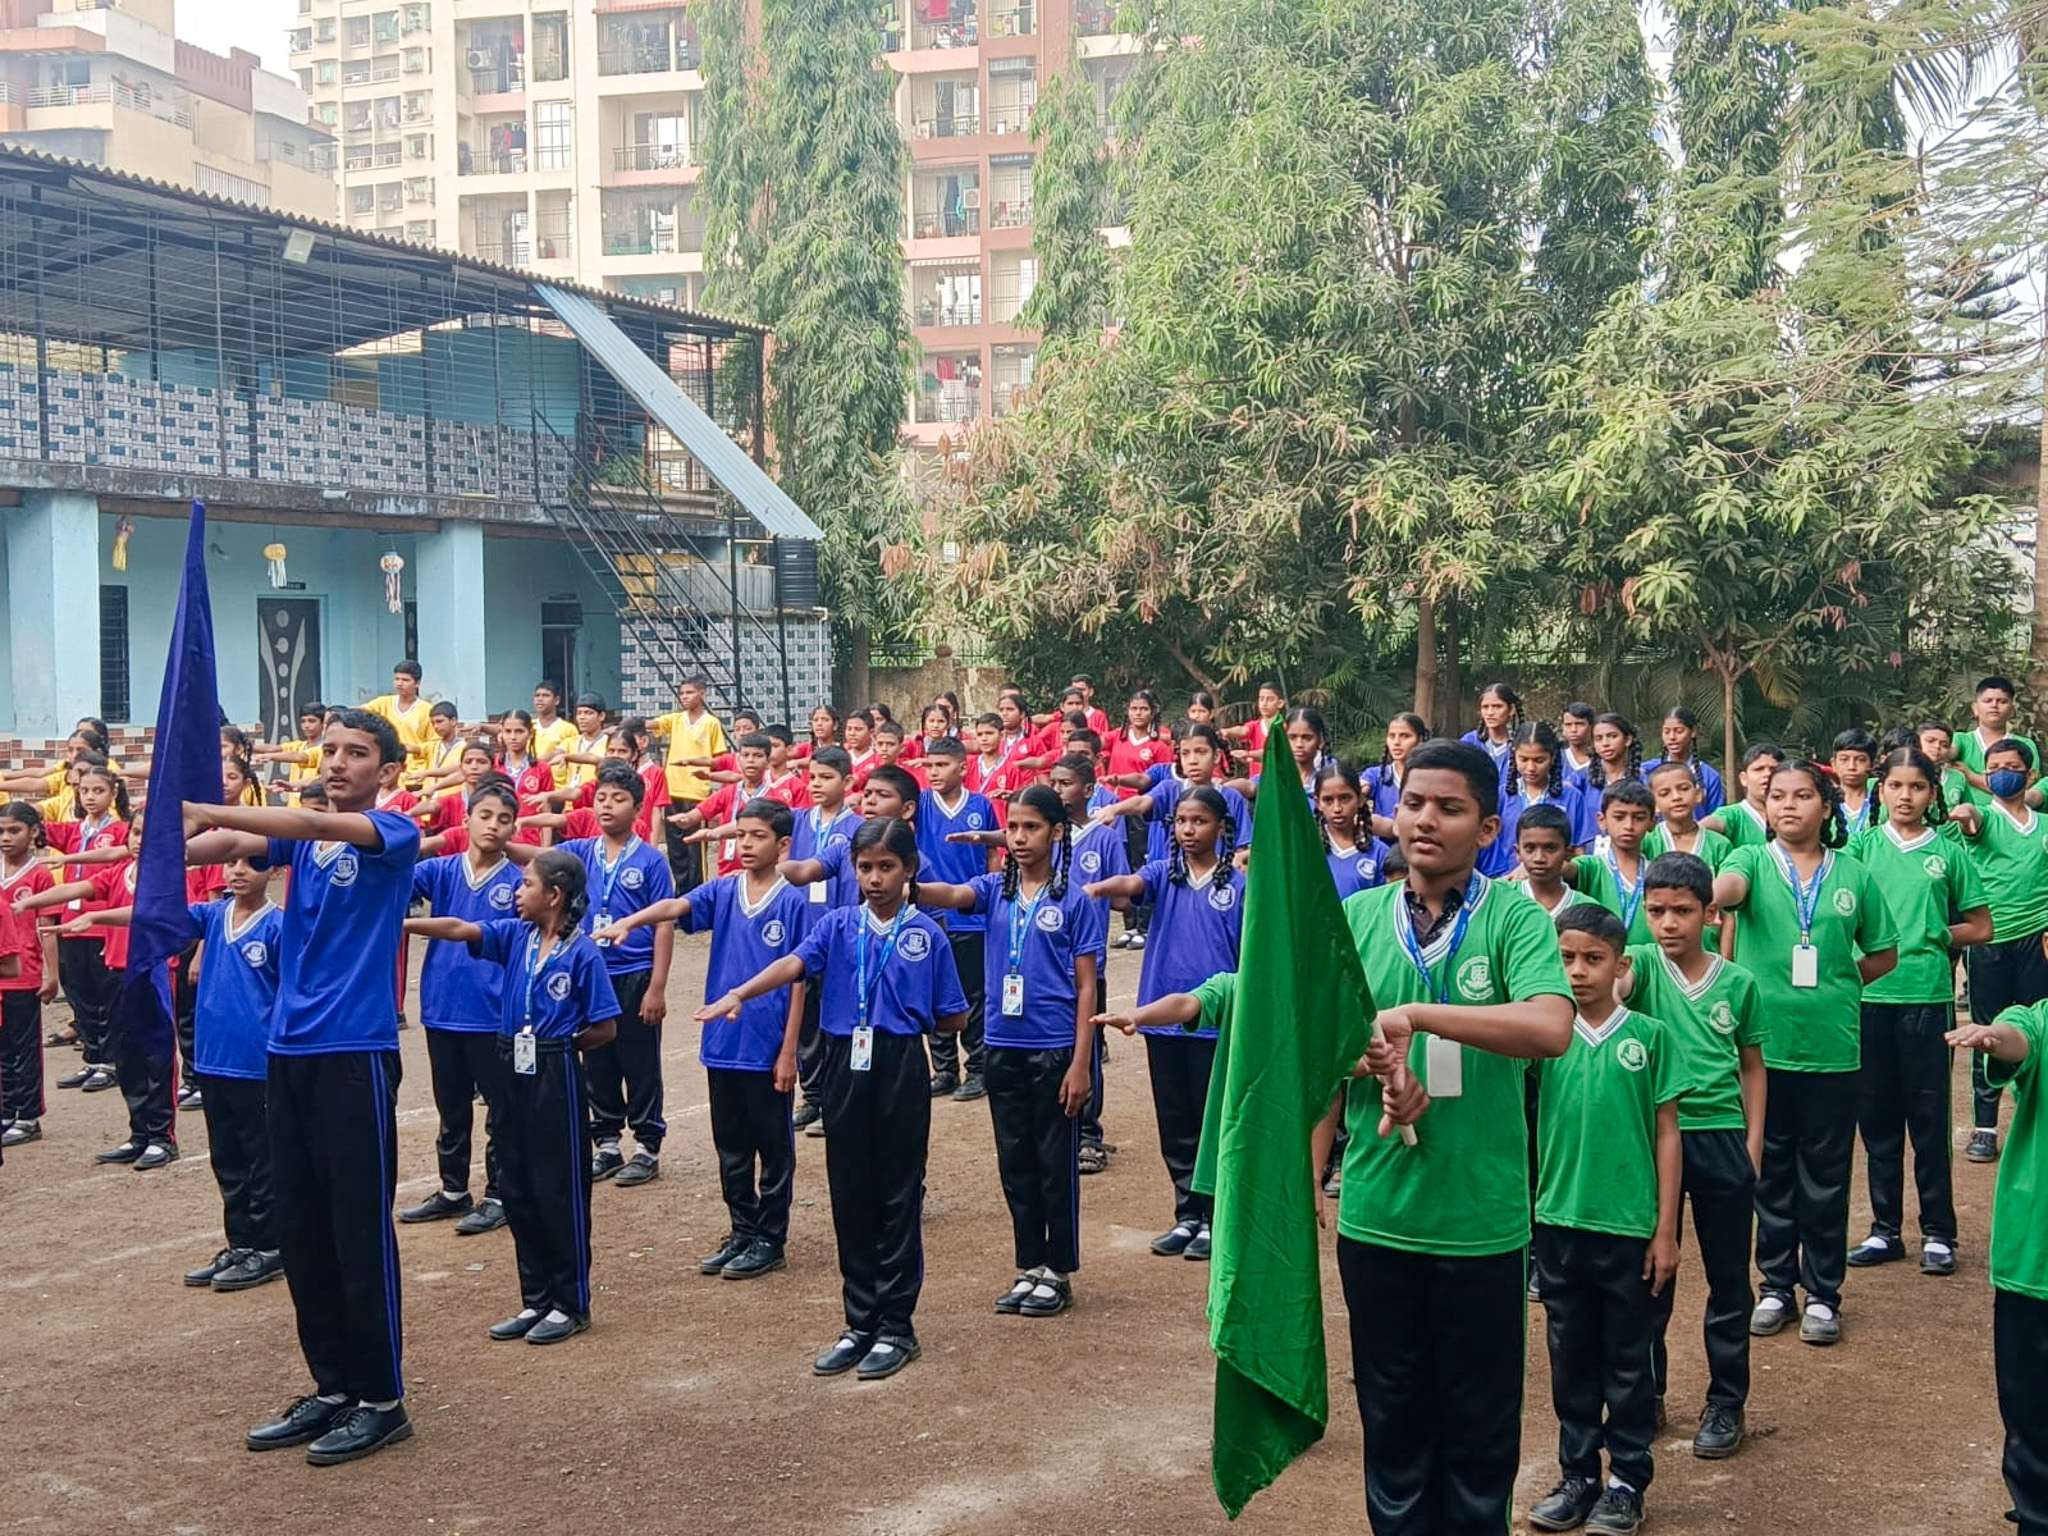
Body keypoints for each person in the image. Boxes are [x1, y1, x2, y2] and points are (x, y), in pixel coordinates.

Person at [1336, 738, 1574, 1536]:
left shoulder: (1515, 918)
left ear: (1488, 826)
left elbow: (1549, 1026)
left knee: (1479, 1434)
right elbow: (1314, 1048)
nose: (1425, 820)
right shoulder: (1357, 919)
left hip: (1480, 1223)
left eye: (1449, 807)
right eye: (1412, 803)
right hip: (1377, 1218)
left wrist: (1421, 1017)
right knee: (1393, 1427)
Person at [182, 706, 421, 1466]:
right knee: (304, 1228)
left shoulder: (392, 831)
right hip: (286, 1051)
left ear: (386, 772)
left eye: (356, 753)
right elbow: (219, 845)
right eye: (329, 751)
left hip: (354, 1052)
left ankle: (382, 1400)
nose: (338, 762)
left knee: (356, 1227)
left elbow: (307, 827)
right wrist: (171, 826)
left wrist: (206, 804)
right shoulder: (302, 837)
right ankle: (334, 1387)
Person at [700, 817, 968, 1382]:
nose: (874, 878)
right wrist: (740, 993)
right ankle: (859, 1321)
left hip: (898, 1066)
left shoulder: (929, 934)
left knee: (897, 1194)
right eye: (865, 867)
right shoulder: (838, 925)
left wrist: (905, 1011)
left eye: (886, 867)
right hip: (844, 1063)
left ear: (909, 870)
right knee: (850, 1192)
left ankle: (897, 1326)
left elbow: (953, 1015)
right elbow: (794, 964)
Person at [1712, 758, 1898, 1347]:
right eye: (1776, 796)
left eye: (1801, 796)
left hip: (1832, 1051)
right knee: (1767, 1172)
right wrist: (1713, 892)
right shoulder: (1748, 861)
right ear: (1764, 808)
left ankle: (1822, 1293)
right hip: (1762, 1055)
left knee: (1826, 1176)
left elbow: (1884, 953)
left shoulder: (1855, 875)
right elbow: (1730, 890)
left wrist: (1838, 981)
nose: (1788, 805)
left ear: (1826, 806)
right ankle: (1774, 1287)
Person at [407, 851, 620, 1346]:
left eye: (526, 885)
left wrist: (560, 1047)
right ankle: (536, 1298)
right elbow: (461, 928)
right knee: (516, 1182)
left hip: (552, 1068)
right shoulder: (514, 936)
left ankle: (570, 1302)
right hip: (510, 1065)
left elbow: (605, 1027)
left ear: (555, 895)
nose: (516, 893)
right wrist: (402, 925)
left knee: (557, 1187)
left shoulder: (583, 953)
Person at [600, 797, 811, 1280]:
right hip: (723, 1043)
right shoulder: (724, 889)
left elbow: (800, 982)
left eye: (757, 836)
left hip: (766, 1045)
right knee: (731, 1146)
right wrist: (632, 921)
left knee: (772, 1147)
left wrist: (788, 1052)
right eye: (741, 835)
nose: (746, 844)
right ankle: (741, 1228)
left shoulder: (794, 903)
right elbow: (678, 905)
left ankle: (770, 1238)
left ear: (782, 844)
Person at [1526, 904, 1685, 1536]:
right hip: (1559, 1223)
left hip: (1629, 1230)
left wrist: (1665, 1230)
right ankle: (1578, 1476)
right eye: (1566, 958)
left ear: (1622, 965)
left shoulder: (1648, 1038)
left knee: (1628, 1360)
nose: (1578, 971)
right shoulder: (1544, 1041)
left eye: (1593, 959)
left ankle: (1626, 1482)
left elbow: (1668, 1135)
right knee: (1570, 1358)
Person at [917, 784, 1103, 1317]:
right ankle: (1030, 1265)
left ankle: (1059, 1269)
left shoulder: (1075, 899)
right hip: (1001, 1044)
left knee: (1054, 1161)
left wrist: (1080, 1064)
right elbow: (951, 896)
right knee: (1015, 1160)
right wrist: (909, 882)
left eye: (1031, 828)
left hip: (1054, 1047)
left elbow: (1087, 987)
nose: (1020, 838)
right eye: (1013, 828)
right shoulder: (995, 888)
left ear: (1056, 832)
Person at [1623, 852, 1765, 1460]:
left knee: (1729, 1278)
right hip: (1656, 1139)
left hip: (1722, 1138)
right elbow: (1613, 985)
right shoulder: (1642, 968)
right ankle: (1645, 1396)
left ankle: (1726, 1400)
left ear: (1710, 914)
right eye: (1656, 911)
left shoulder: (1738, 982)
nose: (1668, 923)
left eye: (1682, 911)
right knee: (1651, 1273)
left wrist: (1752, 1146)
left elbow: (1754, 1068)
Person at [1083, 785, 1243, 1262]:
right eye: (1181, 822)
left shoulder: (1238, 883)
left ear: (1221, 827)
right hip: (1161, 1022)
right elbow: (1130, 886)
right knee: (1175, 1122)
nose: (1189, 830)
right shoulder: (1164, 874)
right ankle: (1187, 1214)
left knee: (1214, 1122)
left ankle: (1217, 1217)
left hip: (1216, 1022)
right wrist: (1095, 887)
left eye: (1199, 821)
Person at [1845, 747, 1989, 1277]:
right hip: (1868, 1000)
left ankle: (1938, 1233)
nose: (1906, 796)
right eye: (1896, 786)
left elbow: (1981, 926)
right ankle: (1885, 1231)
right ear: (1881, 790)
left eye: (1917, 786)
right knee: (1877, 1122)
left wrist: (1938, 934)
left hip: (1927, 1001)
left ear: (1933, 794)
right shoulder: (1858, 850)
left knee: (1928, 1122)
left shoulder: (1949, 854)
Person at [400, 780, 528, 1237]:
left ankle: (500, 1193)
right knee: (450, 1106)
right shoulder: (441, 871)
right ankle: (453, 1189)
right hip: (441, 1007)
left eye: (504, 819)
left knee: (502, 1107)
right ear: (466, 819)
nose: (493, 825)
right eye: (485, 815)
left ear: (514, 827)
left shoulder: (518, 882)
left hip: (492, 1012)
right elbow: (395, 877)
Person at [1946, 1004, 2048, 1536]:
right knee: (2030, 1412)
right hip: (2035, 1259)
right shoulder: (2038, 1020)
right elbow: (2016, 1039)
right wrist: (1994, 1038)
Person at [174, 856, 286, 1292]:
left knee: (263, 1159)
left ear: (274, 872)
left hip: (256, 1063)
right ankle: (240, 1243)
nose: (239, 871)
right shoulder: (211, 916)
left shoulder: (280, 926)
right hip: (213, 1060)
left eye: (252, 864)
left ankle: (269, 1246)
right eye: (232, 863)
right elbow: (155, 913)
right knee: (228, 1158)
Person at [561, 762, 675, 1189]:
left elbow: (664, 922)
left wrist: (657, 986)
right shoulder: (581, 854)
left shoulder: (650, 861)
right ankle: (607, 1142)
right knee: (597, 1058)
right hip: (592, 974)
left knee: (639, 1059)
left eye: (619, 799)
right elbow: (537, 859)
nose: (607, 806)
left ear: (639, 808)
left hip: (635, 973)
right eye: (602, 798)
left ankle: (647, 1147)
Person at [1954, 736, 2048, 1164]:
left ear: (2030, 776)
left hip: (2039, 941)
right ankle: (1986, 1127)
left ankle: (2036, 1119)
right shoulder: (1985, 819)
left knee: (2037, 1030)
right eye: (1993, 768)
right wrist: (1965, 813)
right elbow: (1970, 822)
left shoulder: (2044, 825)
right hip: (1991, 943)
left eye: (2011, 766)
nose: (2001, 773)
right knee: (1986, 1030)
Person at [916, 738, 997, 1100]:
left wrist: (993, 898)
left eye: (942, 765)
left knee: (973, 997)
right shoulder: (917, 805)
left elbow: (994, 855)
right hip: (931, 917)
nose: (933, 772)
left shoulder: (981, 805)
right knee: (934, 992)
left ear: (963, 768)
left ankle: (977, 1068)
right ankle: (943, 1068)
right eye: (929, 765)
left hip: (971, 919)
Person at [786, 747, 862, 1133]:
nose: (816, 784)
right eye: (812, 777)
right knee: (805, 1019)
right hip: (804, 934)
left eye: (826, 777)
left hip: (840, 938)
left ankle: (834, 1100)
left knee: (837, 1021)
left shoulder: (858, 829)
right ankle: (811, 1095)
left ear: (848, 783)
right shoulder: (799, 822)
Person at [0, 802, 57, 1147]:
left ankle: (28, 1114)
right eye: (1, 831)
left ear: (33, 832)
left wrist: (52, 974)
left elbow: (47, 926)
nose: (6, 838)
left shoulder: (40, 874)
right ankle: (7, 1110)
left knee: (24, 1048)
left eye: (14, 830)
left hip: (25, 973)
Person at [1486, 721, 1592, 875]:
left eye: (1539, 760)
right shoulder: (1501, 796)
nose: (1530, 768)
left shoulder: (1571, 797)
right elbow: (1489, 847)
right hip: (1507, 882)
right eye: (1523, 759)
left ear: (1553, 757)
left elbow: (1580, 854)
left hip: (1555, 882)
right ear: (1513, 756)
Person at [652, 677, 728, 892]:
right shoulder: (676, 720)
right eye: (682, 693)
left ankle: (697, 895)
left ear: (702, 694)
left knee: (695, 849)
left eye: (689, 692)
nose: (684, 697)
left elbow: (719, 757)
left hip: (697, 792)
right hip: (672, 789)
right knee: (676, 849)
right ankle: (681, 892)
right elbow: (654, 725)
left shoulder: (711, 722)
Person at [1561, 779, 1658, 945]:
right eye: (1619, 817)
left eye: (1639, 818)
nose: (1629, 825)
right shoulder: (1592, 867)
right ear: (1602, 820)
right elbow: (1564, 869)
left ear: (1652, 823)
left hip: (1647, 966)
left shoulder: (1658, 874)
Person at [1954, 675, 2040, 808]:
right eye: (1988, 701)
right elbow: (1946, 753)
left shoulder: (2025, 745)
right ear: (1975, 708)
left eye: (2002, 701)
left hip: (2012, 821)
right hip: (1966, 822)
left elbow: (2023, 790)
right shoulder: (1960, 740)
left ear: (2012, 710)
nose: (1994, 705)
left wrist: (1971, 776)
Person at [1315, 761, 1389, 898]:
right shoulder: (1308, 849)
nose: (1337, 808)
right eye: (1328, 800)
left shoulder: (1379, 853)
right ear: (1318, 803)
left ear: (1360, 799)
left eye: (1345, 798)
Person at [1701, 743, 1783, 851]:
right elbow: (1711, 824)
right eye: (1759, 769)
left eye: (1773, 769)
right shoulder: (1733, 814)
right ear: (1743, 778)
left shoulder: (1792, 813)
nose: (1767, 774)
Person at [1644, 707, 1726, 815]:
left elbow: (1716, 817)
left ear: (1693, 732)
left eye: (1679, 731)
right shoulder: (1647, 770)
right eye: (1666, 732)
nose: (1672, 737)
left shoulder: (1709, 776)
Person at [1515, 804, 1588, 918]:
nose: (1539, 858)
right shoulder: (1501, 899)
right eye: (1530, 848)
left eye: (1550, 848)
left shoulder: (1586, 909)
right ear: (1518, 852)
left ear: (1568, 853)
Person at [364, 660, 435, 775]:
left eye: (405, 680)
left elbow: (436, 744)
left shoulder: (428, 711)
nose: (399, 683)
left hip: (415, 770)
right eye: (397, 679)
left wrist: (415, 748)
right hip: (385, 766)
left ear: (417, 683)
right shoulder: (382, 704)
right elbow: (360, 714)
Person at [1364, 712, 1428, 841]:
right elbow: (1357, 791)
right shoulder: (1376, 775)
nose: (1396, 742)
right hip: (1383, 854)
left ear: (1420, 740)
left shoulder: (1431, 778)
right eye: (1392, 736)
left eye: (1405, 736)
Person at [1459, 681, 1523, 782]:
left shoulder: (1522, 744)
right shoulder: (1469, 742)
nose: (1490, 713)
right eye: (1485, 707)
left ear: (1511, 710)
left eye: (1497, 706)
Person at [1831, 728, 1879, 838]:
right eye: (1844, 759)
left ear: (1872, 765)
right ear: (1833, 764)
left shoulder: (1884, 801)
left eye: (1860, 760)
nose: (1851, 767)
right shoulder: (1823, 803)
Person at [529, 681, 579, 767]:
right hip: (530, 777)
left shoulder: (568, 729)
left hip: (558, 779)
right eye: (537, 695)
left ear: (557, 700)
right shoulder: (528, 726)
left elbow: (573, 758)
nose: (540, 699)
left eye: (546, 695)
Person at [1559, 701, 1598, 781]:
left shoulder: (1602, 759)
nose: (1573, 730)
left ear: (1591, 726)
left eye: (1580, 724)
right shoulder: (1556, 760)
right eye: (1568, 725)